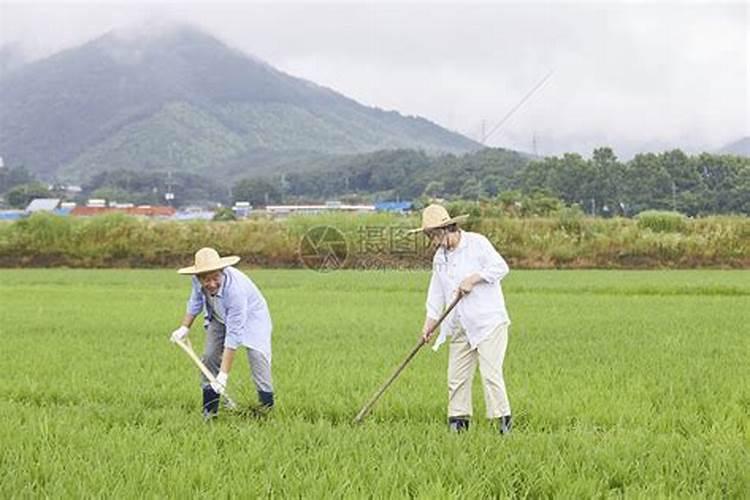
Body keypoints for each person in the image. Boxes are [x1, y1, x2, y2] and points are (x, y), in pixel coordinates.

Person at [410, 204, 513, 434]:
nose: (433, 241)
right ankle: (458, 426)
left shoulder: (477, 243)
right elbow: (436, 293)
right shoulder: (440, 258)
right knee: (456, 379)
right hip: (459, 324)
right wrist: (430, 323)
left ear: (448, 228)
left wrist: (473, 279)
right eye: (430, 236)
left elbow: (500, 267)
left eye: (435, 235)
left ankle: (503, 427)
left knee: (491, 375)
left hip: (488, 323)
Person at [170, 247, 274, 419]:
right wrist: (184, 328)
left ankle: (266, 413)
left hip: (252, 318)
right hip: (218, 316)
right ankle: (209, 413)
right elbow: (195, 302)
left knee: (258, 358)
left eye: (215, 277)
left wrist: (223, 376)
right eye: (205, 279)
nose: (211, 284)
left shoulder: (236, 291)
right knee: (209, 357)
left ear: (222, 271)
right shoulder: (197, 280)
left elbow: (233, 336)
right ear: (198, 276)